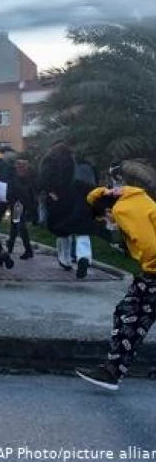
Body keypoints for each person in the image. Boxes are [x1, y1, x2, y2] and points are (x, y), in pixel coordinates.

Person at [76, 165, 156, 390]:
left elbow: (151, 247)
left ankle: (112, 372)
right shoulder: (135, 200)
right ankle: (111, 370)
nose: (108, 223)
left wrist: (149, 270)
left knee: (128, 316)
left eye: (104, 219)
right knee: (129, 315)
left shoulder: (123, 209)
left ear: (106, 211)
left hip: (153, 273)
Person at [39, 143, 100, 279]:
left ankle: (65, 260)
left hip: (58, 199)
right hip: (82, 198)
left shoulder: (50, 160)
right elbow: (95, 180)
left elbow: (44, 178)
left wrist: (51, 192)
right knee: (82, 230)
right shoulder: (83, 163)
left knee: (62, 232)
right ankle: (84, 257)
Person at [7, 159, 37, 260]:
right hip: (21, 204)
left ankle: (27, 250)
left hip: (18, 204)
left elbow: (15, 190)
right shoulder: (29, 177)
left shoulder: (17, 177)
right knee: (16, 225)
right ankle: (12, 247)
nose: (19, 167)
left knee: (18, 226)